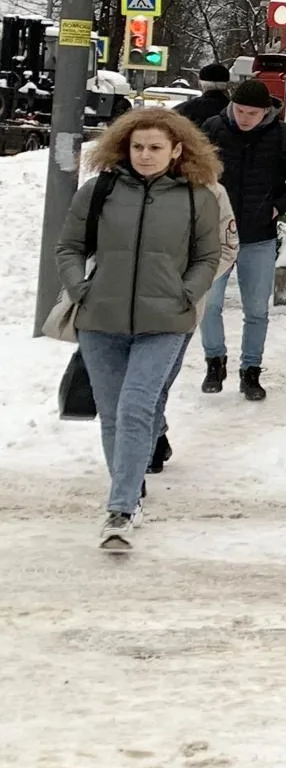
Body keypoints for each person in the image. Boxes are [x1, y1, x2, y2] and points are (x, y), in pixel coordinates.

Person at [54, 108, 223, 550]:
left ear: (177, 150)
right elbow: (70, 246)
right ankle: (128, 492)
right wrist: (81, 288)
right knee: (112, 415)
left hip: (164, 322)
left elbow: (209, 256)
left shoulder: (196, 197)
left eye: (155, 148)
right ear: (124, 149)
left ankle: (121, 508)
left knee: (136, 409)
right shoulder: (99, 192)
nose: (145, 156)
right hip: (101, 321)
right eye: (138, 147)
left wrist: (186, 294)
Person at [199, 78, 286, 400]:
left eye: (252, 113)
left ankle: (251, 372)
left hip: (258, 236)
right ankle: (214, 362)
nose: (245, 118)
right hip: (214, 236)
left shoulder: (283, 136)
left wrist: (278, 206)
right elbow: (191, 172)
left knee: (257, 309)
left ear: (266, 112)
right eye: (240, 110)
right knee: (209, 305)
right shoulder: (213, 129)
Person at [147, 180, 239, 474]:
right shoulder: (123, 184)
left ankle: (146, 449)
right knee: (131, 383)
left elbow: (227, 247)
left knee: (154, 380)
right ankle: (154, 435)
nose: (147, 154)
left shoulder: (210, 191)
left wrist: (191, 287)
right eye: (139, 145)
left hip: (179, 304)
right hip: (123, 301)